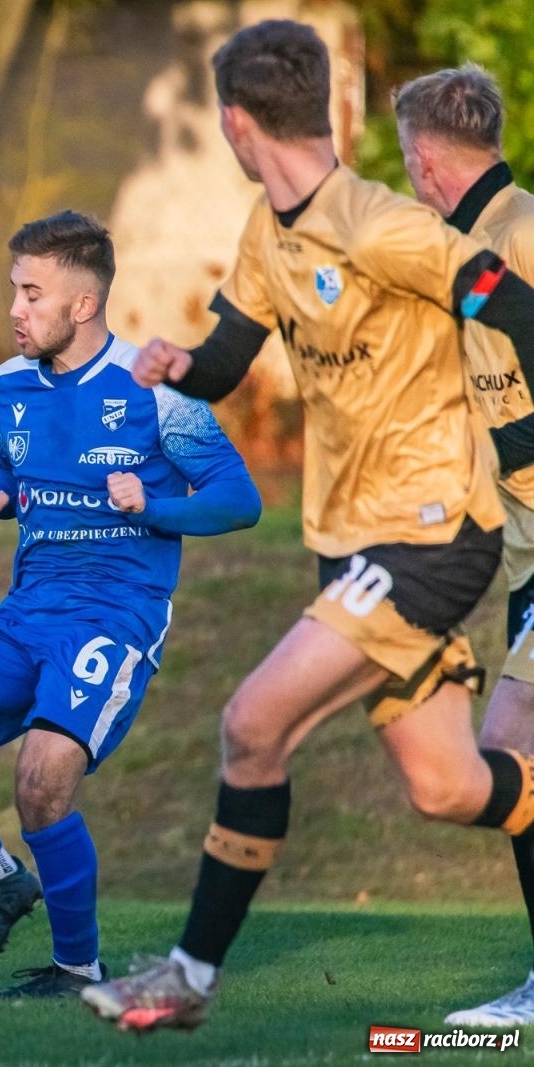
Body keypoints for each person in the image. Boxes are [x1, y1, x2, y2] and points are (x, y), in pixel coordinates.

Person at [82, 20, 534, 1033]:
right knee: (447, 784)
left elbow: (517, 308)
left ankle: (188, 976)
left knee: (252, 722)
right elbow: (228, 357)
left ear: (237, 124)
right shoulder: (268, 230)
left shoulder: (386, 228)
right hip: (350, 543)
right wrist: (180, 366)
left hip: (431, 535)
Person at [0, 211, 260, 999]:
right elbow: (11, 470)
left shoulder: (158, 392)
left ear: (83, 305)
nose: (14, 309)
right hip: (24, 615)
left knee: (43, 776)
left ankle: (78, 967)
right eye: (15, 290)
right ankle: (0, 876)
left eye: (31, 293)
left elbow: (240, 500)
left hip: (114, 619)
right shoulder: (7, 386)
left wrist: (153, 505)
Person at [395, 64, 534, 1028]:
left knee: (506, 749)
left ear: (425, 157)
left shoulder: (519, 234)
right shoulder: (465, 251)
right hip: (524, 560)